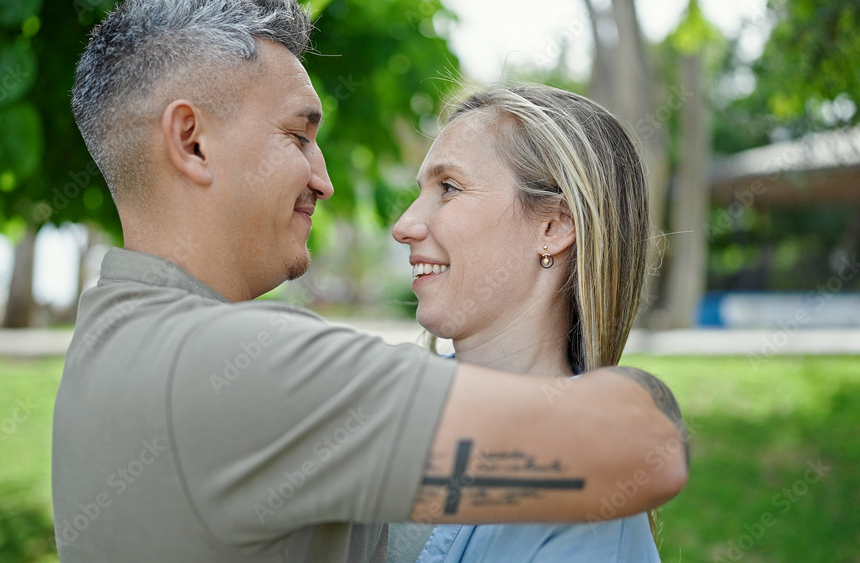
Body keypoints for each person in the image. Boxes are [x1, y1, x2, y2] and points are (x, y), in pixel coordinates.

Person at [52, 1, 688, 561]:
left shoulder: (110, 345)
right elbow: (646, 447)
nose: (323, 180)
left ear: (556, 227)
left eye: (450, 187)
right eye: (298, 136)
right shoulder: (243, 369)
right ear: (191, 142)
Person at [388, 84, 668, 562]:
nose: (405, 224)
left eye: (448, 188)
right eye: (421, 192)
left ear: (553, 227)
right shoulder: (390, 401)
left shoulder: (585, 492)